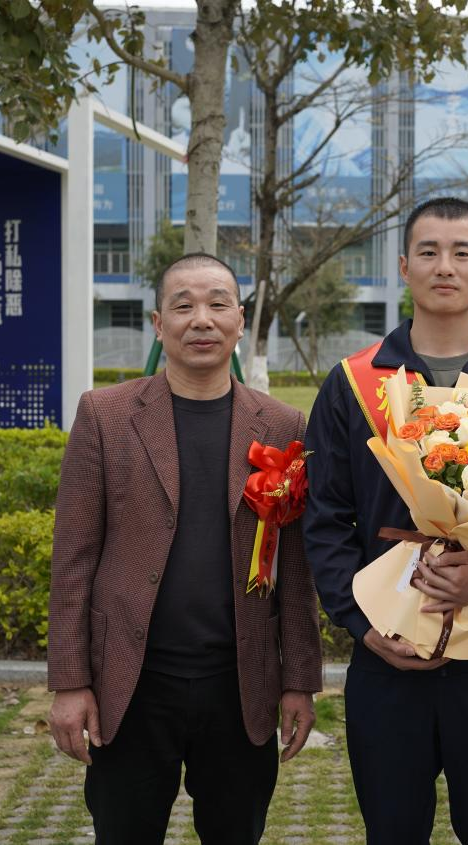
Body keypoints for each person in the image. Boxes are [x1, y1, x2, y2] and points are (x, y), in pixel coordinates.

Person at [303, 197, 468, 845]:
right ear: (404, 267)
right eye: (428, 252)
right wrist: (362, 625)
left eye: (461, 253)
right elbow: (325, 518)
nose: (444, 266)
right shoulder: (354, 383)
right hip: (388, 652)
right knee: (392, 830)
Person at [46, 253, 322, 845]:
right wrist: (70, 682)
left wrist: (299, 680)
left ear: (240, 321)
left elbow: (296, 570)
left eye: (218, 304)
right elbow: (72, 560)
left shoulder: (281, 426)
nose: (202, 319)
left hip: (240, 685)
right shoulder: (106, 415)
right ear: (157, 323)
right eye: (183, 305)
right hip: (132, 683)